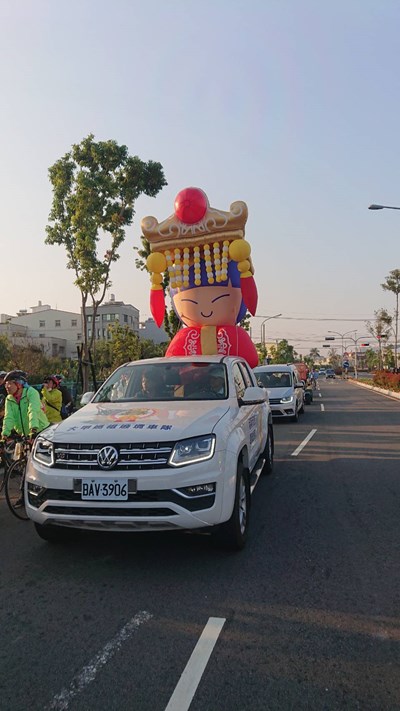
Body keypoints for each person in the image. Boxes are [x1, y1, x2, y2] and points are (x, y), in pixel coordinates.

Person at [1, 370, 49, 506]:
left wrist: (33, 431)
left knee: (40, 464)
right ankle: (24, 496)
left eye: (9, 383)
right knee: (24, 465)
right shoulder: (9, 399)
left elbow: (32, 411)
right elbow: (8, 417)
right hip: (24, 433)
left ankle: (45, 492)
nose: (6, 386)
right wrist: (4, 434)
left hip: (39, 430)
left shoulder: (31, 393)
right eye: (5, 384)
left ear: (19, 384)